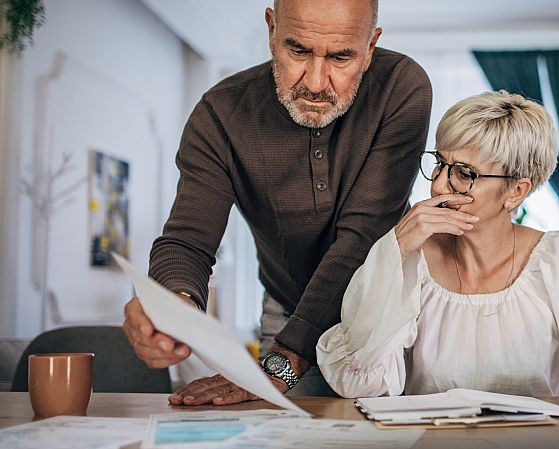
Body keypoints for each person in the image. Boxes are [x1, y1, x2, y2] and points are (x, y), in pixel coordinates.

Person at [121, 0, 432, 404]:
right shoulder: (220, 114)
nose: (317, 83)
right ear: (271, 29)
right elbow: (187, 240)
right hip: (286, 310)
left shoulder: (401, 87)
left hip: (385, 316)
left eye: (341, 57)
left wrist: (287, 359)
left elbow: (363, 237)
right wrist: (173, 307)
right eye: (298, 51)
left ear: (370, 46)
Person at [316, 91, 559, 398]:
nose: (437, 186)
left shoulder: (556, 260)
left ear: (516, 192)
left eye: (464, 173)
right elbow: (359, 383)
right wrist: (394, 249)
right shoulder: (411, 261)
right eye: (439, 164)